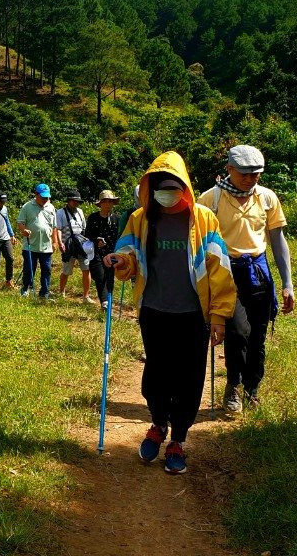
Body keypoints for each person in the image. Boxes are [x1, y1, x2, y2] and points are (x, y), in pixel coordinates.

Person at [103, 151, 236, 475]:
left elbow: (220, 269)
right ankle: (158, 424)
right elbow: (129, 252)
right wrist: (120, 261)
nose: (166, 192)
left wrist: (219, 316)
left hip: (194, 315)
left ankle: (178, 439)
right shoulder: (141, 218)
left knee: (189, 379)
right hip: (154, 311)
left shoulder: (204, 220)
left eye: (173, 186)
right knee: (156, 376)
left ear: (185, 187)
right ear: (150, 188)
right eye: (160, 186)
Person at [197, 145, 295, 413]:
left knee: (258, 336)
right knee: (238, 332)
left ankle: (252, 388)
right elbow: (198, 242)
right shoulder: (210, 199)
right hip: (226, 274)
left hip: (258, 273)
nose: (250, 179)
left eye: (256, 174)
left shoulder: (266, 198)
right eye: (245, 173)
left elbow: (277, 239)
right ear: (229, 169)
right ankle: (233, 386)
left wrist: (287, 283)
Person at [17, 183, 58, 298]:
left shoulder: (51, 207)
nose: (45, 199)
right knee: (29, 269)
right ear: (36, 195)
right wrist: (24, 230)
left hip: (46, 246)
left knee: (47, 270)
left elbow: (54, 226)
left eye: (47, 197)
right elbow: (20, 222)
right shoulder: (27, 206)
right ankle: (26, 288)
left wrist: (55, 241)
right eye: (43, 197)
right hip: (30, 245)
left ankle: (44, 292)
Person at [85, 190, 122, 310]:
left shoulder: (117, 219)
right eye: (105, 202)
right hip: (96, 253)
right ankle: (104, 302)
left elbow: (121, 235)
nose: (107, 204)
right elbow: (88, 234)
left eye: (110, 202)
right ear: (100, 204)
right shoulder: (93, 218)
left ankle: (108, 300)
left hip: (112, 253)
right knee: (100, 277)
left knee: (109, 278)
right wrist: (97, 240)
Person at [56, 189, 92, 301]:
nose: (76, 203)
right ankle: (61, 292)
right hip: (69, 245)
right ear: (69, 201)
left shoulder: (80, 212)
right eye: (74, 201)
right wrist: (60, 242)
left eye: (78, 201)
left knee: (86, 269)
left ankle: (86, 296)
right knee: (66, 271)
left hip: (81, 244)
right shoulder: (60, 213)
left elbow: (84, 228)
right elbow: (58, 229)